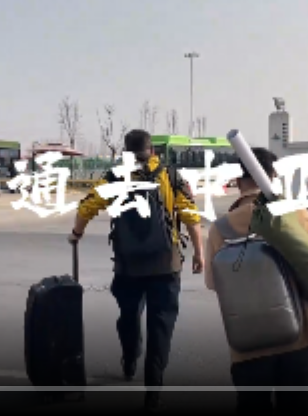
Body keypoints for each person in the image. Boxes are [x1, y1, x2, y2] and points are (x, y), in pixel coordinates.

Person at [68, 129, 205, 411]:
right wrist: (199, 253)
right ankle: (153, 390)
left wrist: (76, 234)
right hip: (165, 264)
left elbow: (87, 207)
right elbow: (190, 215)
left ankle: (130, 358)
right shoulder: (169, 175)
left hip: (128, 265)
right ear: (152, 151)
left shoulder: (115, 176)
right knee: (160, 326)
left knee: (129, 316)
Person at [204, 147, 308, 413]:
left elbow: (213, 282)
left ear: (237, 180)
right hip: (299, 335)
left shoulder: (221, 229)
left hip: (248, 342)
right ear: (273, 176)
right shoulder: (291, 212)